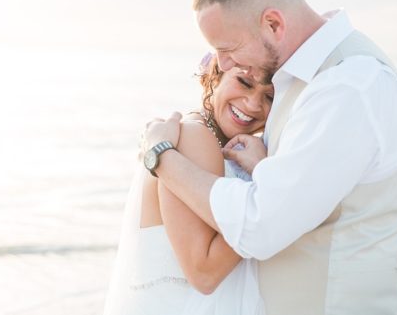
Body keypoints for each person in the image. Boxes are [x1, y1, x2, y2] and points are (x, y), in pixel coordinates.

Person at [142, 0, 397, 315]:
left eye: (227, 48)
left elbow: (260, 226)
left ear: (273, 24)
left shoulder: (348, 86)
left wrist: (160, 157)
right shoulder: (305, 80)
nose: (222, 64)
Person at [103, 53, 274, 315]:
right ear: (215, 76)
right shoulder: (195, 136)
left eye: (269, 97)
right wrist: (263, 186)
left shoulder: (211, 140)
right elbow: (204, 272)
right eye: (244, 83)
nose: (252, 104)